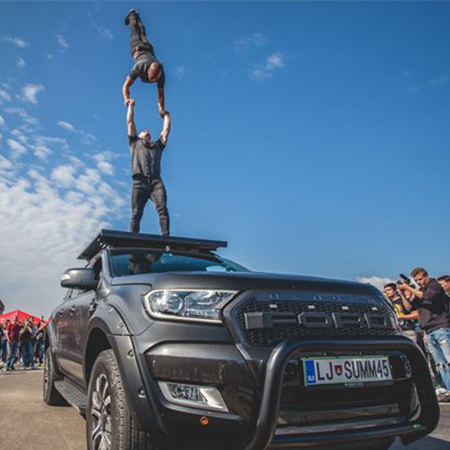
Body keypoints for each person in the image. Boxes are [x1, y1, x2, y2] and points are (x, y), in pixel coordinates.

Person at [398, 267, 450, 402]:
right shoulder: (420, 290)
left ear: (426, 276)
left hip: (441, 328)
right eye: (416, 281)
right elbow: (409, 307)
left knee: (449, 360)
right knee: (440, 364)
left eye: (420, 279)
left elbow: (428, 297)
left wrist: (408, 288)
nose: (419, 282)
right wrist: (403, 293)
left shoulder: (434, 285)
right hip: (430, 330)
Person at [127, 99, 171, 235]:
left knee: (163, 208)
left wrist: (166, 115)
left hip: (156, 182)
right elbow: (130, 121)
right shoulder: (135, 142)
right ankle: (133, 240)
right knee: (136, 213)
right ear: (139, 136)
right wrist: (130, 106)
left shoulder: (157, 146)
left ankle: (166, 239)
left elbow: (166, 131)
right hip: (139, 182)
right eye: (143, 131)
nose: (146, 131)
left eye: (148, 132)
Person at [123, 9, 166, 116]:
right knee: (135, 31)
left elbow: (161, 95)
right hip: (137, 48)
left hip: (148, 48)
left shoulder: (161, 74)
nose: (152, 82)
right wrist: (126, 99)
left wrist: (161, 109)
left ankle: (138, 16)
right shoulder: (139, 67)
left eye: (154, 80)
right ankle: (132, 15)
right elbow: (125, 86)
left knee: (142, 32)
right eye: (151, 79)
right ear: (148, 71)